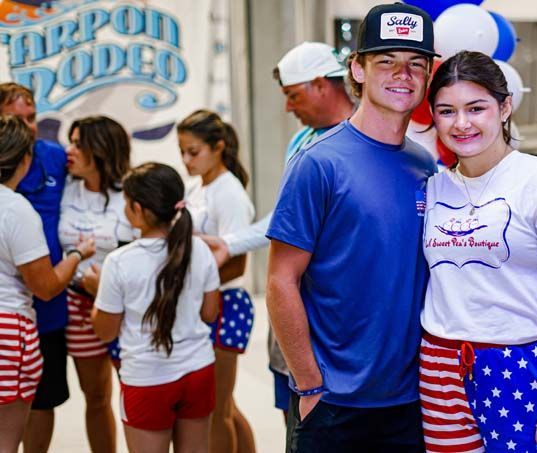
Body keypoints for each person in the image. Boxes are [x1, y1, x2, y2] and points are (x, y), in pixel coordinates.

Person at [266, 2, 439, 451]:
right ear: (357, 69)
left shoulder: (425, 166)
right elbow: (281, 280)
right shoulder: (318, 163)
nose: (402, 74)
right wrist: (308, 385)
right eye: (386, 61)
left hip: (409, 404)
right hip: (332, 403)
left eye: (415, 64)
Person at [419, 51, 537, 453]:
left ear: (504, 107)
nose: (461, 123)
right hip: (439, 367)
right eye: (446, 111)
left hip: (520, 367)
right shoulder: (432, 187)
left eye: (475, 108)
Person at [200, 41, 352, 418]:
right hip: (293, 297)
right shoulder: (302, 141)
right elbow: (287, 219)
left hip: (340, 309)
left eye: (292, 95)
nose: (287, 107)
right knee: (293, 409)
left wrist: (230, 243)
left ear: (321, 85)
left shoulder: (364, 140)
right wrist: (230, 243)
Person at [91, 162, 220, 453]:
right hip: (198, 370)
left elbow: (106, 331)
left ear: (138, 209)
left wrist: (98, 292)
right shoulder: (199, 250)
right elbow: (210, 313)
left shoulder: (119, 262)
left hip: (147, 379)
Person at [0, 114, 95, 452]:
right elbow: (45, 286)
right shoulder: (16, 210)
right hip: (9, 331)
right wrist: (77, 255)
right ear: (25, 160)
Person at [177, 110, 255, 453]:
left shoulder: (230, 193)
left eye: (193, 152)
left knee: (215, 409)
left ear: (218, 147)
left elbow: (237, 265)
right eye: (182, 151)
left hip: (226, 303)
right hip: (203, 302)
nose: (186, 160)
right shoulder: (197, 187)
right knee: (226, 404)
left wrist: (191, 288)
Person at [0, 82, 70, 453]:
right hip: (20, 308)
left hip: (46, 310)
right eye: (17, 119)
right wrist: (78, 257)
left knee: (44, 398)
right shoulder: (15, 208)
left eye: (32, 118)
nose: (28, 127)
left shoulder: (55, 156)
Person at [59, 115, 134, 452]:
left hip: (127, 307)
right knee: (96, 396)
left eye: (78, 144)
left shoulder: (131, 192)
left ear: (101, 149)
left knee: (134, 391)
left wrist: (109, 287)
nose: (69, 150)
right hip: (77, 304)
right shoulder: (64, 189)